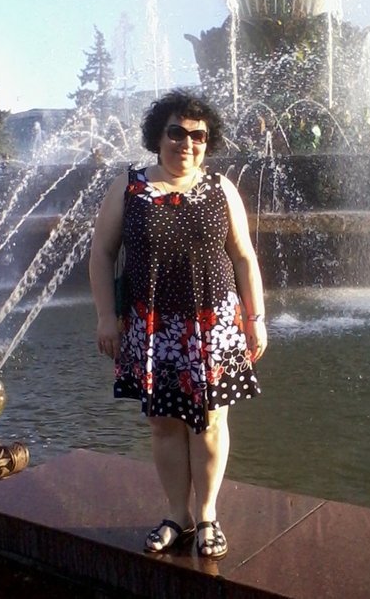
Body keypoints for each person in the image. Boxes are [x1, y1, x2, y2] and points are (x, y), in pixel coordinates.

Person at [89, 88, 267, 559]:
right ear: (158, 136)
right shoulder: (128, 188)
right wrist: (106, 316)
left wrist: (255, 317)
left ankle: (207, 516)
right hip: (153, 328)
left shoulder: (221, 188)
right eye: (176, 132)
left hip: (213, 325)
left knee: (210, 420)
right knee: (164, 424)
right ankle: (177, 514)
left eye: (198, 136)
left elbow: (244, 257)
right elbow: (101, 253)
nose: (186, 143)